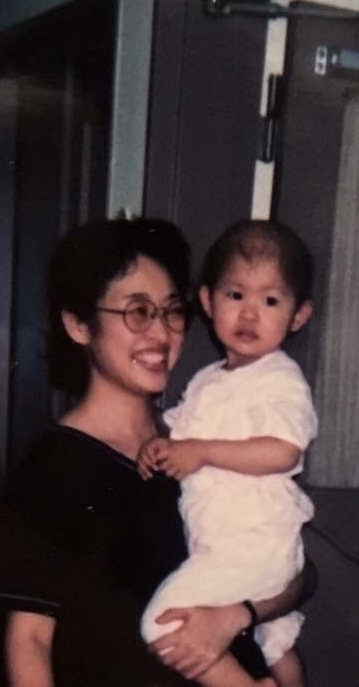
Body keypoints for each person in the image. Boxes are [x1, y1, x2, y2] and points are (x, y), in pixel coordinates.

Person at [0, 218, 311, 687]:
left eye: (171, 311)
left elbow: (300, 572)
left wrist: (238, 615)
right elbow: (28, 643)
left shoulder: (198, 438)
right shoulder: (54, 470)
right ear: (79, 325)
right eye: (137, 312)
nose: (160, 333)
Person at [138, 220, 317, 687]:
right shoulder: (208, 380)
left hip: (250, 546)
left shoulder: (280, 380)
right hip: (229, 544)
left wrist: (201, 452)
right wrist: (160, 444)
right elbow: (177, 431)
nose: (250, 314)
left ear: (298, 316)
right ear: (208, 301)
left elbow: (283, 451)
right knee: (277, 644)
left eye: (270, 301)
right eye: (236, 295)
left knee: (162, 623)